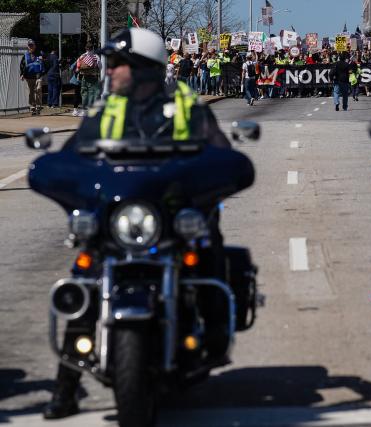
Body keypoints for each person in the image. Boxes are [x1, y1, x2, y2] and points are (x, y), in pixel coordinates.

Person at [43, 27, 232, 420]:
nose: (109, 72)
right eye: (109, 64)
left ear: (145, 69)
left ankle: (214, 333)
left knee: (209, 250)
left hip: (173, 216)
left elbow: (220, 151)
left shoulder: (186, 105)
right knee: (86, 280)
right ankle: (65, 387)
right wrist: (57, 174)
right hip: (122, 218)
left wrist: (214, 178)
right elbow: (72, 155)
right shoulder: (106, 110)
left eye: (118, 64)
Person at [20, 39, 45, 115]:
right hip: (29, 77)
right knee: (31, 92)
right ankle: (32, 106)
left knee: (38, 89)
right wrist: (22, 74)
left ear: (35, 46)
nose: (31, 47)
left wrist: (43, 60)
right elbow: (22, 65)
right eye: (29, 46)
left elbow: (45, 63)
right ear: (28, 47)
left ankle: (38, 105)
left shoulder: (40, 54)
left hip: (38, 76)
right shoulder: (25, 55)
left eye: (32, 45)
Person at [76, 43, 102, 116]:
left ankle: (84, 111)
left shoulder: (82, 56)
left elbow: (78, 67)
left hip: (85, 77)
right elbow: (100, 67)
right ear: (93, 48)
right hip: (94, 78)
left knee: (84, 93)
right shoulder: (96, 56)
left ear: (86, 48)